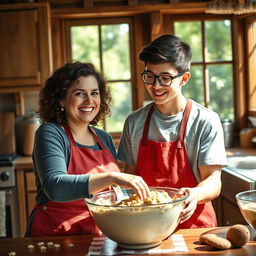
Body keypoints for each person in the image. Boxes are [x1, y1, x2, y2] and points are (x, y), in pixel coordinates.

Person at [25, 62, 150, 237]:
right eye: (79, 94)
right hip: (55, 236)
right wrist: (112, 177)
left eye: (94, 93)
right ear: (61, 99)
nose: (89, 101)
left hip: (96, 236)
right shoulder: (50, 133)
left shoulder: (104, 138)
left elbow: (109, 196)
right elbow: (55, 187)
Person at [117, 35, 227, 229]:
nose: (156, 86)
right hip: (145, 226)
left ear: (184, 78)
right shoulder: (134, 122)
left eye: (165, 78)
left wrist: (195, 194)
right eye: (149, 76)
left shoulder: (205, 121)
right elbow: (130, 177)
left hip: (193, 226)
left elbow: (213, 180)